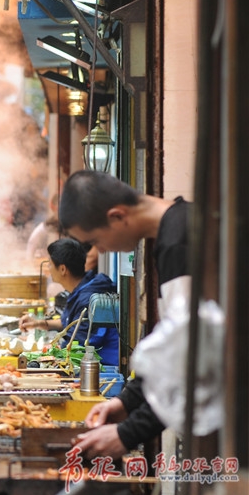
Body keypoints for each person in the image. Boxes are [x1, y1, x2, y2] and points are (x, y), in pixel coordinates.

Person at [58, 170, 190, 460]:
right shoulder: (175, 229)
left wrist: (128, 433)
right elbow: (174, 342)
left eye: (94, 240)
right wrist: (126, 402)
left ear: (117, 216)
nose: (98, 250)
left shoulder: (179, 242)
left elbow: (193, 354)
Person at [19, 238, 120, 366]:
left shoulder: (87, 299)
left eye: (50, 264)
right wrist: (39, 323)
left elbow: (74, 347)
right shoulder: (84, 286)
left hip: (103, 368)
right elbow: (70, 323)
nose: (48, 269)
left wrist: (37, 350)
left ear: (62, 269)